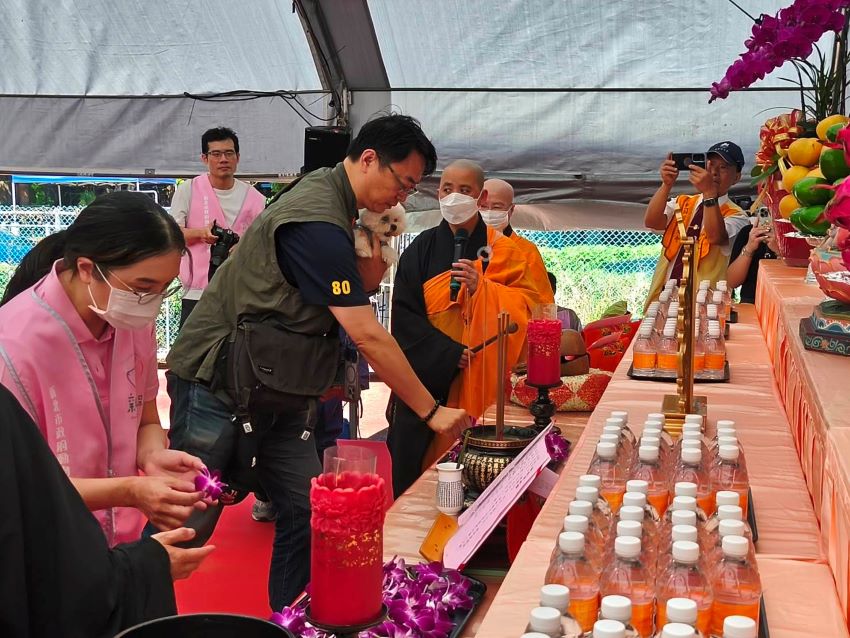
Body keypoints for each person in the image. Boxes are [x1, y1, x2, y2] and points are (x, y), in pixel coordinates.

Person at [164, 113, 469, 610]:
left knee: (309, 513)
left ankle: (294, 620)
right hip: (217, 381)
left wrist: (372, 232)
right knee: (187, 520)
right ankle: (143, 618)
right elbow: (366, 332)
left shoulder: (340, 206)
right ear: (369, 159)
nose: (404, 197)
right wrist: (431, 410)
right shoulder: (315, 216)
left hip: (277, 387)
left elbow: (365, 283)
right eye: (403, 181)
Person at [0, 192, 209, 546]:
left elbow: (144, 419)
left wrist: (153, 456)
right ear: (86, 269)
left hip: (118, 546)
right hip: (44, 551)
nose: (152, 305)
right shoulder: (14, 348)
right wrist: (130, 490)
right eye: (143, 288)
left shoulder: (130, 319)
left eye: (163, 290)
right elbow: (20, 489)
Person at [0, 383, 214, 638]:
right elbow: (32, 502)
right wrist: (144, 567)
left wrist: (151, 455)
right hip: (75, 558)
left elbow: (146, 420)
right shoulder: (13, 361)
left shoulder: (136, 343)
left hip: (120, 540)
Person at [387, 160, 541, 496]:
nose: (453, 197)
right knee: (414, 475)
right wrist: (446, 353)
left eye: (464, 190)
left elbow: (529, 308)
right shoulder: (420, 249)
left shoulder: (504, 251)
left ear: (481, 197)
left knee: (478, 475)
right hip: (428, 379)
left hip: (484, 375)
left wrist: (483, 290)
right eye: (446, 189)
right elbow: (404, 316)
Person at [169, 127, 266, 326]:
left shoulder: (256, 199)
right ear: (204, 158)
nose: (223, 159)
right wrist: (200, 233)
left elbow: (265, 241)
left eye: (229, 153)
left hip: (240, 294)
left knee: (236, 355)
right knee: (192, 355)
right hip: (197, 293)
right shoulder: (188, 190)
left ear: (237, 157)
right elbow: (170, 235)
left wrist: (244, 247)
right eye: (216, 154)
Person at [643, 142, 750, 308]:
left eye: (723, 167)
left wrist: (709, 194)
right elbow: (652, 221)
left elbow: (716, 237)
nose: (714, 172)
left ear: (737, 177)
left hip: (705, 308)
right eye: (710, 164)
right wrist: (666, 184)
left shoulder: (738, 216)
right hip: (665, 298)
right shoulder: (683, 202)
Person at [479, 177, 555, 305]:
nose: (489, 212)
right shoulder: (463, 244)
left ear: (511, 210)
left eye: (497, 207)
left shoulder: (526, 251)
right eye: (483, 206)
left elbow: (542, 302)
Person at [726, 215, 779, 303]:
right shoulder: (748, 233)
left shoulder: (798, 236)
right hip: (750, 304)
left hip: (782, 303)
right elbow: (732, 281)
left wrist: (780, 251)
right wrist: (749, 248)